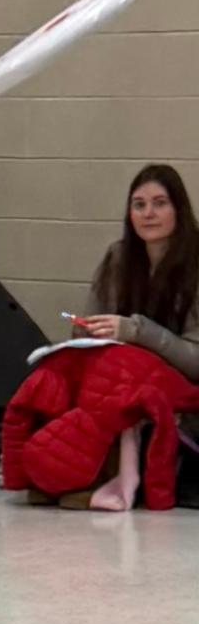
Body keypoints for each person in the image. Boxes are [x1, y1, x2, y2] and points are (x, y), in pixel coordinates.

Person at [65, 163, 199, 508]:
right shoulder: (118, 257)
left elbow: (195, 361)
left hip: (183, 392)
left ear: (179, 210)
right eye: (139, 205)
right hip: (124, 382)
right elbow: (90, 322)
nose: (148, 213)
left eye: (159, 203)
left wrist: (137, 331)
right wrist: (85, 330)